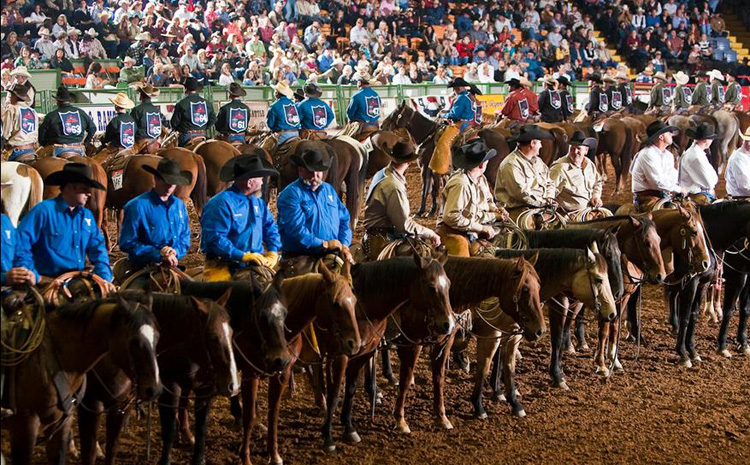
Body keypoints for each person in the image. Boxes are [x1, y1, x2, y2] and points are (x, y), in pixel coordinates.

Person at [14, 163, 114, 287]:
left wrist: (104, 278)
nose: (89, 194)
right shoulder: (43, 211)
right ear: (70, 187)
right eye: (84, 189)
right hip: (46, 281)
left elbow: (98, 249)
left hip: (76, 280)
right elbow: (20, 244)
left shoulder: (86, 216)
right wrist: (33, 275)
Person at [201, 153, 281, 281]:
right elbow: (215, 238)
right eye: (260, 179)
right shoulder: (220, 204)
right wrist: (241, 255)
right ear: (250, 182)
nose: (262, 183)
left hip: (255, 263)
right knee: (220, 291)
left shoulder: (258, 203)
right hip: (224, 265)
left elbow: (270, 227)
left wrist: (273, 251)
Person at [116, 158, 192, 282]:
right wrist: (157, 253)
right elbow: (126, 242)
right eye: (166, 181)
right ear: (156, 179)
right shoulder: (136, 206)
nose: (169, 186)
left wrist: (175, 252)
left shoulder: (179, 206)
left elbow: (185, 237)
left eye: (173, 182)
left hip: (173, 267)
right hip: (142, 269)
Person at [363, 141, 441, 260]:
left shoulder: (382, 173)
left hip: (375, 236)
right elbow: (404, 225)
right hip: (385, 240)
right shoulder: (394, 186)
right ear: (409, 162)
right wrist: (430, 233)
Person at [276, 150, 353, 262]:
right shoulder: (291, 194)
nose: (314, 176)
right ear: (300, 171)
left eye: (318, 171)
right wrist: (324, 244)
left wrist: (344, 244)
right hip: (301, 257)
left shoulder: (329, 190)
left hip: (332, 252)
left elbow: (344, 219)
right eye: (310, 172)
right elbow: (295, 229)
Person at [437, 140, 508, 257]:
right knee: (466, 261)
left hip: (471, 228)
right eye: (487, 162)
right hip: (452, 231)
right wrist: (481, 228)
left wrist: (495, 209)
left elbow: (488, 200)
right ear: (481, 165)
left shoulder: (481, 178)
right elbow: (451, 216)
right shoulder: (461, 184)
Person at [495, 125, 556, 215]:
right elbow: (521, 193)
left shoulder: (538, 161)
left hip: (539, 207)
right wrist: (544, 202)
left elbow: (550, 182)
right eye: (539, 142)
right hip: (518, 210)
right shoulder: (511, 164)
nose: (541, 146)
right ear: (532, 143)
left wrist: (549, 197)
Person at [630, 120, 681, 211]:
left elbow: (673, 176)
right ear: (661, 137)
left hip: (663, 195)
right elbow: (657, 182)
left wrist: (678, 187)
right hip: (646, 199)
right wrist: (679, 189)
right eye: (668, 132)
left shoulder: (668, 155)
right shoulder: (647, 154)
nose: (671, 134)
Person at [549, 131, 604, 213]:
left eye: (578, 148)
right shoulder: (560, 167)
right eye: (572, 148)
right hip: (570, 214)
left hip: (589, 210)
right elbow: (549, 189)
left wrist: (596, 196)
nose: (575, 152)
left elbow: (598, 182)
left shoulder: (589, 164)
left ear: (586, 150)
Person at [38, 86, 97, 158]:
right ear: (69, 100)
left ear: (57, 101)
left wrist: (45, 144)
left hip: (58, 148)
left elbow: (41, 135)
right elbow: (92, 128)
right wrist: (85, 143)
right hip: (78, 148)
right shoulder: (81, 113)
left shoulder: (52, 115)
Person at [1, 180, 36, 286]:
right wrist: (4, 278)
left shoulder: (5, 221)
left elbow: (19, 251)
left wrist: (25, 271)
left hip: (11, 288)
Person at [678, 123, 719, 204]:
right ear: (706, 140)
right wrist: (713, 181)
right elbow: (708, 183)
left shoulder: (696, 153)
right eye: (711, 138)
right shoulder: (695, 156)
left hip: (699, 195)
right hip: (696, 197)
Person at [170, 77, 216, 147]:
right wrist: (204, 127)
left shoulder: (181, 103)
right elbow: (213, 119)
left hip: (186, 136)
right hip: (202, 134)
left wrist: (181, 129)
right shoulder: (207, 103)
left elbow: (174, 123)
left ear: (186, 89)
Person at [1, 85, 38, 162]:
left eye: (11, 95)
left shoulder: (12, 110)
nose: (10, 97)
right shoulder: (33, 111)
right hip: (31, 149)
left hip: (16, 151)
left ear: (15, 96)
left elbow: (5, 134)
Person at [130, 82, 168, 153]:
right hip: (155, 142)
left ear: (141, 96)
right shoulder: (156, 110)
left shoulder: (137, 110)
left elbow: (131, 127)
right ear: (150, 96)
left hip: (141, 143)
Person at [346, 73, 381, 139]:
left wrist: (350, 120)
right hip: (375, 124)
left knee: (347, 140)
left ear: (359, 83)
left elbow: (350, 113)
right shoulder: (376, 95)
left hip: (362, 126)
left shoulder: (356, 96)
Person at [266, 80, 301, 146]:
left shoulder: (274, 106)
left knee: (266, 149)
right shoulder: (293, 104)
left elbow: (270, 124)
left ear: (276, 93)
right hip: (296, 134)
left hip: (283, 135)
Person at [725, 127, 750, 200]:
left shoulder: (745, 156)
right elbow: (745, 186)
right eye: (747, 141)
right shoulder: (738, 158)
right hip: (740, 200)